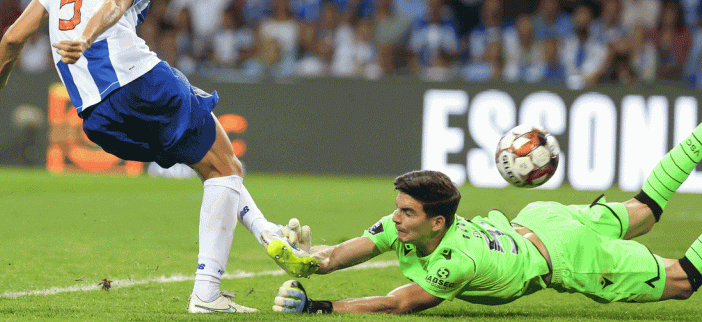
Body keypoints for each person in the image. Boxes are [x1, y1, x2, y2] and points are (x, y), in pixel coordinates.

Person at [0, 0, 315, 314]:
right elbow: (117, 0)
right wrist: (88, 36)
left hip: (97, 117)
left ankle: (268, 235)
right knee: (226, 166)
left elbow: (14, 37)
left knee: (217, 169)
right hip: (138, 82)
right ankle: (208, 292)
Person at [269, 123, 702, 314]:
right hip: (542, 218)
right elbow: (343, 254)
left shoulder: (456, 261)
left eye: (406, 212)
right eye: (398, 208)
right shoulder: (408, 223)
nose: (395, 220)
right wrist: (309, 258)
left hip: (569, 255)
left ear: (435, 222)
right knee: (644, 208)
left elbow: (398, 302)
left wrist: (320, 308)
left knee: (684, 280)